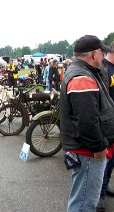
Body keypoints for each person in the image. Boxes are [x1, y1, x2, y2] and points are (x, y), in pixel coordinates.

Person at [60, 35, 114, 212]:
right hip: (88, 152)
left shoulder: (84, 72)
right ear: (94, 54)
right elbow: (86, 122)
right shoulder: (82, 77)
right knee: (84, 204)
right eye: (101, 52)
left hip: (86, 150)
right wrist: (99, 148)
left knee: (82, 200)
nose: (103, 57)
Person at [96, 41, 114, 212]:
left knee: (112, 161)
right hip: (106, 122)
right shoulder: (103, 68)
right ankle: (99, 195)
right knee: (104, 160)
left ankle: (105, 186)